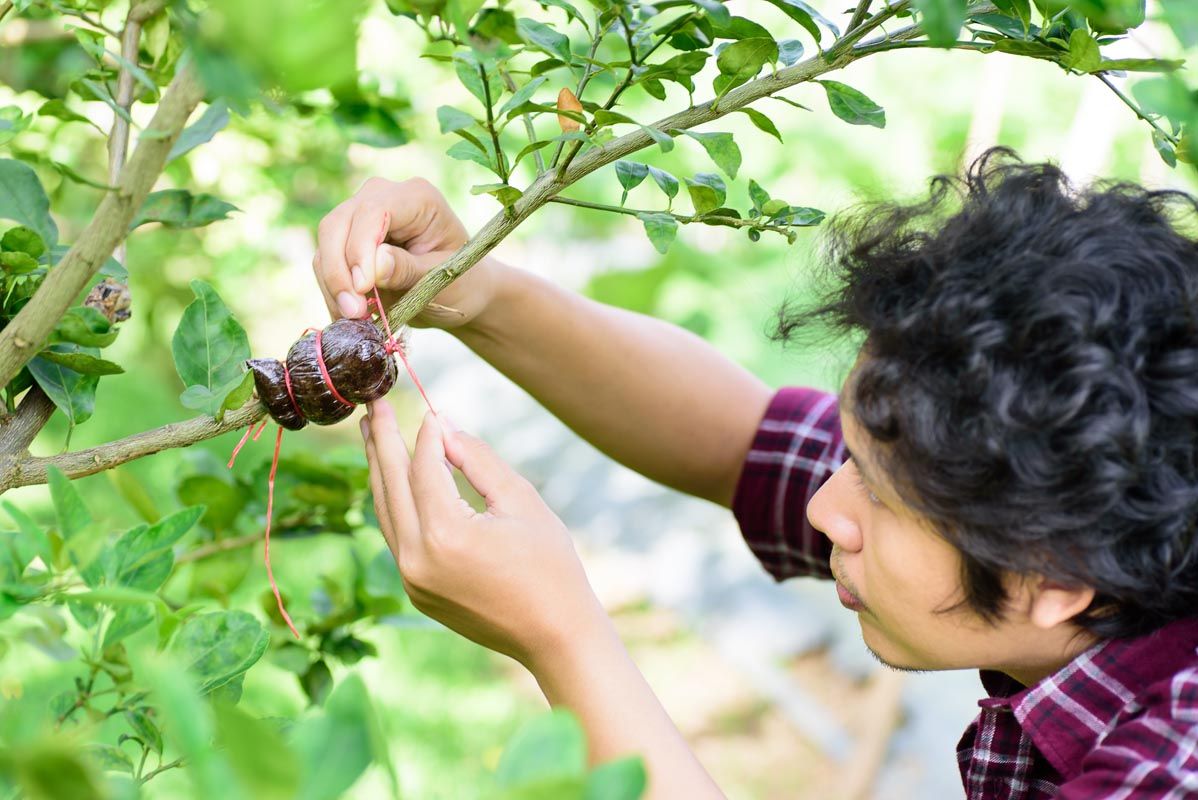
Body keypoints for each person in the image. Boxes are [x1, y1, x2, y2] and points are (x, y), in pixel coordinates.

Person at [312, 148, 1198, 799]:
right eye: (852, 455)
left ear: (1056, 577)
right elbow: (744, 443)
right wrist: (481, 294)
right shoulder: (1085, 506)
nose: (823, 506)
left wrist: (562, 637)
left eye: (879, 499)